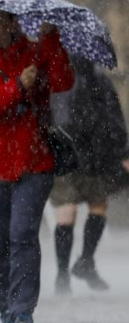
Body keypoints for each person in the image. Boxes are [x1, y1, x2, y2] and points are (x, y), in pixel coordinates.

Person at [0, 6, 73, 323]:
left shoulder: (35, 53)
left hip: (33, 163)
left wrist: (51, 38)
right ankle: (6, 312)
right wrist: (17, 88)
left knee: (23, 233)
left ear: (13, 23)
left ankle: (23, 311)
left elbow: (64, 80)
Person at [50, 57, 129, 294]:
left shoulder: (57, 74)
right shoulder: (93, 77)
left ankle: (73, 268)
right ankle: (75, 267)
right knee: (82, 207)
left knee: (80, 208)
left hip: (80, 152)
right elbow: (113, 117)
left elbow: (112, 116)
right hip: (82, 152)